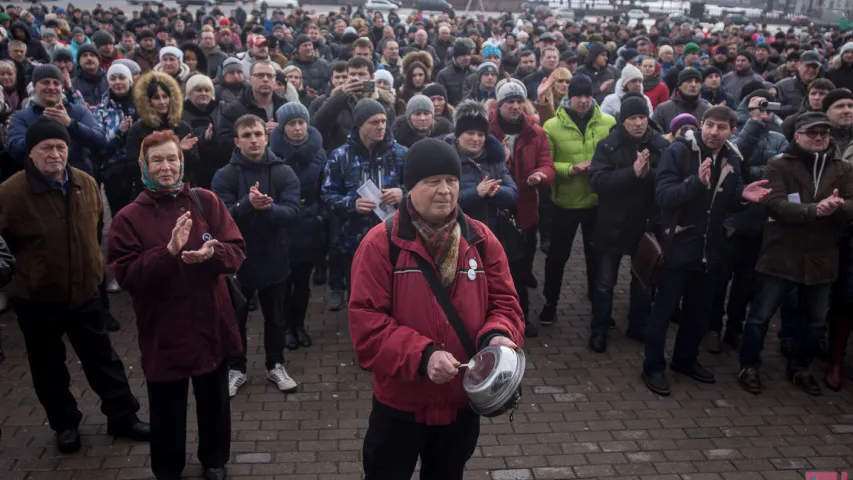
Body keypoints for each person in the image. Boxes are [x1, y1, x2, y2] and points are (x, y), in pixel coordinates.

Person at [348, 137, 524, 480]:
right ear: (411, 187)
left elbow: (506, 302)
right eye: (432, 182)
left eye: (452, 181)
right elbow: (367, 326)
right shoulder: (381, 245)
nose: (445, 191)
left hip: (461, 401)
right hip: (401, 404)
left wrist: (499, 336)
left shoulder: (482, 240)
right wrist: (423, 356)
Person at [0, 117, 150, 454]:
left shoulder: (85, 182)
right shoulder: (10, 193)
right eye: (46, 148)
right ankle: (65, 424)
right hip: (36, 298)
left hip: (84, 292)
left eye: (60, 147)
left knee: (103, 360)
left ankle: (122, 416)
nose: (54, 154)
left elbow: (96, 227)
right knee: (48, 367)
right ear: (31, 152)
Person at [107, 131, 245, 480]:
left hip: (209, 318)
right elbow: (126, 275)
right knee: (167, 404)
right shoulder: (128, 218)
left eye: (172, 159)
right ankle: (168, 467)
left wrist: (212, 253)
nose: (166, 167)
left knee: (214, 399)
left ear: (181, 162)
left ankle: (214, 459)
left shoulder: (206, 201)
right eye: (157, 160)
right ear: (144, 165)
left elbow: (236, 251)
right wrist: (167, 253)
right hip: (163, 326)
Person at [643, 106, 771, 396]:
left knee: (698, 312)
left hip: (710, 250)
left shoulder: (732, 156)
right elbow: (664, 197)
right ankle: (653, 366)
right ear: (701, 125)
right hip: (678, 247)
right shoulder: (679, 152)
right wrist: (695, 184)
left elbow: (732, 195)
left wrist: (744, 197)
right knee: (664, 312)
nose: (714, 132)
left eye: (721, 127)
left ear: (732, 131)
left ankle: (685, 360)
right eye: (710, 125)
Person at [738, 112, 853, 396]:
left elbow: (851, 202)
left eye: (823, 134)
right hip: (782, 253)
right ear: (797, 136)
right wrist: (814, 210)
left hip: (821, 256)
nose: (818, 138)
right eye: (812, 133)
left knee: (814, 320)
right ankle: (748, 365)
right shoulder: (779, 165)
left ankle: (799, 367)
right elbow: (774, 203)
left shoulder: (843, 168)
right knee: (760, 315)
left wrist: (837, 207)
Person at [211, 113, 301, 397]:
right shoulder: (224, 175)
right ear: (237, 142)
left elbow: (293, 212)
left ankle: (275, 364)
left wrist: (269, 209)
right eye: (247, 135)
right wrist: (246, 204)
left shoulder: (283, 172)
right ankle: (236, 368)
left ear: (267, 136)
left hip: (275, 258)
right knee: (235, 318)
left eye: (258, 134)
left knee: (275, 318)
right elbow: (220, 217)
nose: (253, 140)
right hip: (237, 262)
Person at [588, 93, 668, 352]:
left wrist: (648, 175)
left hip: (645, 226)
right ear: (623, 121)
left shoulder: (660, 145)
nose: (638, 123)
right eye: (632, 118)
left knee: (643, 281)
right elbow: (598, 181)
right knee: (604, 283)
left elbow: (669, 180)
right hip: (613, 224)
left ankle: (638, 325)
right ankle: (599, 329)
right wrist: (631, 174)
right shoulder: (607, 146)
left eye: (642, 117)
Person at [540, 74, 615, 326]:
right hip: (565, 203)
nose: (583, 101)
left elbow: (616, 157)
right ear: (568, 97)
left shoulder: (608, 122)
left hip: (597, 202)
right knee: (557, 257)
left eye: (587, 95)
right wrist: (571, 168)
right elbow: (547, 163)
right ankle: (550, 302)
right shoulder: (552, 126)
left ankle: (598, 301)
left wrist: (601, 168)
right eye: (577, 96)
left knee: (595, 255)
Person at [321, 98, 407, 309]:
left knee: (395, 297)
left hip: (394, 239)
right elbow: (327, 194)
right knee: (360, 298)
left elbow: (419, 189)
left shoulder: (401, 154)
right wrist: (352, 204)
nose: (380, 126)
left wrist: (403, 194)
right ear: (359, 124)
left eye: (383, 121)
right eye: (374, 122)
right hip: (354, 240)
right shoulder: (340, 156)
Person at [269, 103, 327, 349]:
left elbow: (326, 186)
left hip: (309, 223)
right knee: (284, 282)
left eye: (301, 122)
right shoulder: (272, 153)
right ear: (283, 127)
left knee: (303, 282)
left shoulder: (320, 153)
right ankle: (284, 328)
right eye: (291, 123)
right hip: (282, 223)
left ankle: (299, 325)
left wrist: (321, 215)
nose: (297, 128)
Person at [126, 71, 199, 193]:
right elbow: (132, 166)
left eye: (165, 96)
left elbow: (195, 164)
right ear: (147, 101)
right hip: (150, 192)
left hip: (181, 190)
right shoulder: (138, 129)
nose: (162, 102)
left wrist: (181, 152)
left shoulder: (182, 127)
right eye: (156, 98)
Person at [94, 62, 138, 216]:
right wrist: (119, 132)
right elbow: (100, 142)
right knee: (120, 214)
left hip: (139, 167)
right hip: (114, 169)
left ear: (130, 80)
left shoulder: (142, 104)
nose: (118, 82)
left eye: (122, 78)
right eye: (113, 78)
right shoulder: (101, 109)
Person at [181, 73, 227, 189]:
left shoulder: (222, 109)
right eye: (198, 90)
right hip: (193, 172)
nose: (203, 93)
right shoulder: (181, 114)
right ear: (189, 93)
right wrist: (204, 139)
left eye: (207, 90)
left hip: (219, 167)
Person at [652, 68, 711, 134]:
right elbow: (654, 136)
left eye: (697, 81)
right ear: (679, 85)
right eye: (689, 81)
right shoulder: (663, 109)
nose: (693, 85)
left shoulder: (707, 110)